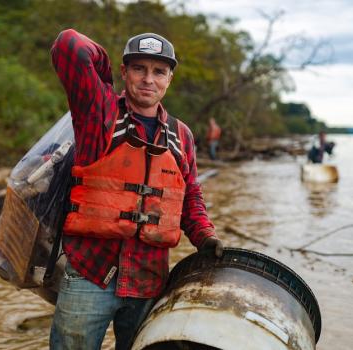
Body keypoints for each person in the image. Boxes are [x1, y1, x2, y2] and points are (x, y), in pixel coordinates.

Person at [49, 29, 224, 350]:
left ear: (170, 79)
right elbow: (69, 45)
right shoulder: (97, 114)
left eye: (159, 71)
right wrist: (103, 77)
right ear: (124, 72)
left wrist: (204, 235)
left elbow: (191, 198)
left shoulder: (182, 135)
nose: (148, 79)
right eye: (138, 68)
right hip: (90, 274)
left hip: (149, 279)